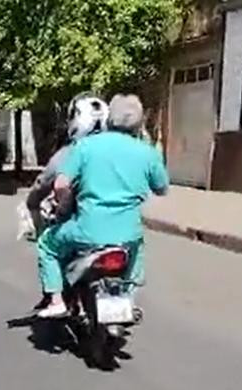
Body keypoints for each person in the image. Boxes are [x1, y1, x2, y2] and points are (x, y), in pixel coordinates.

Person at [36, 94, 169, 318]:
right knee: (137, 252)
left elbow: (61, 184)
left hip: (86, 230)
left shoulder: (85, 146)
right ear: (139, 122)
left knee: (46, 245)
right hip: (128, 234)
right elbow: (162, 188)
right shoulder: (147, 153)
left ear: (109, 119)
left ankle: (57, 300)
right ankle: (128, 297)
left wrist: (63, 203)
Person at [23, 93, 109, 311]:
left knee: (47, 244)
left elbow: (46, 183)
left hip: (81, 227)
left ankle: (56, 299)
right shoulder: (119, 151)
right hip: (119, 227)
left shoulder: (68, 154)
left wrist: (34, 203)